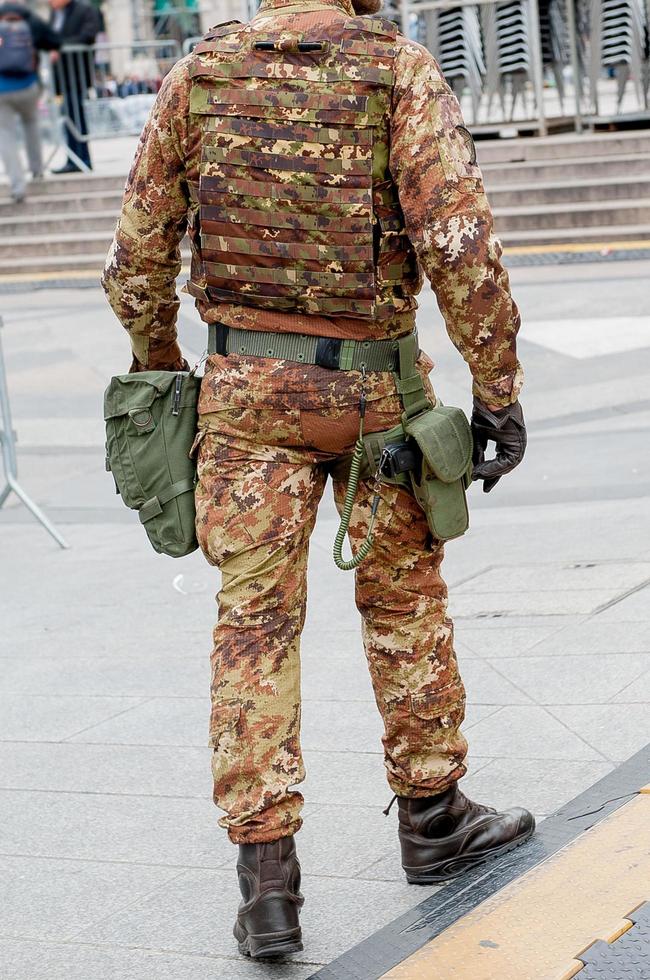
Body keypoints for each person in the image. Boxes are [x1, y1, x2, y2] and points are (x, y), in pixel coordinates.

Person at [102, 0, 533, 960]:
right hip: (374, 390)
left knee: (253, 622)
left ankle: (267, 889)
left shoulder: (199, 76)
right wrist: (497, 387)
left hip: (243, 392)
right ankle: (432, 818)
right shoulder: (395, 70)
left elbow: (136, 253)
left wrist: (161, 359)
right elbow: (458, 244)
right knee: (403, 603)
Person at [0, 2, 59, 203]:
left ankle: (18, 186)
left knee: (5, 134)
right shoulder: (31, 20)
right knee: (31, 125)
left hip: (1, 90)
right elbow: (54, 40)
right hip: (28, 85)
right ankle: (37, 170)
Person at [48, 0, 101, 173]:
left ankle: (82, 159)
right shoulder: (56, 13)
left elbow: (88, 36)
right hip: (62, 76)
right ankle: (73, 159)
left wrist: (60, 46)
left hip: (77, 74)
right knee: (68, 117)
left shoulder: (84, 10)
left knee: (76, 117)